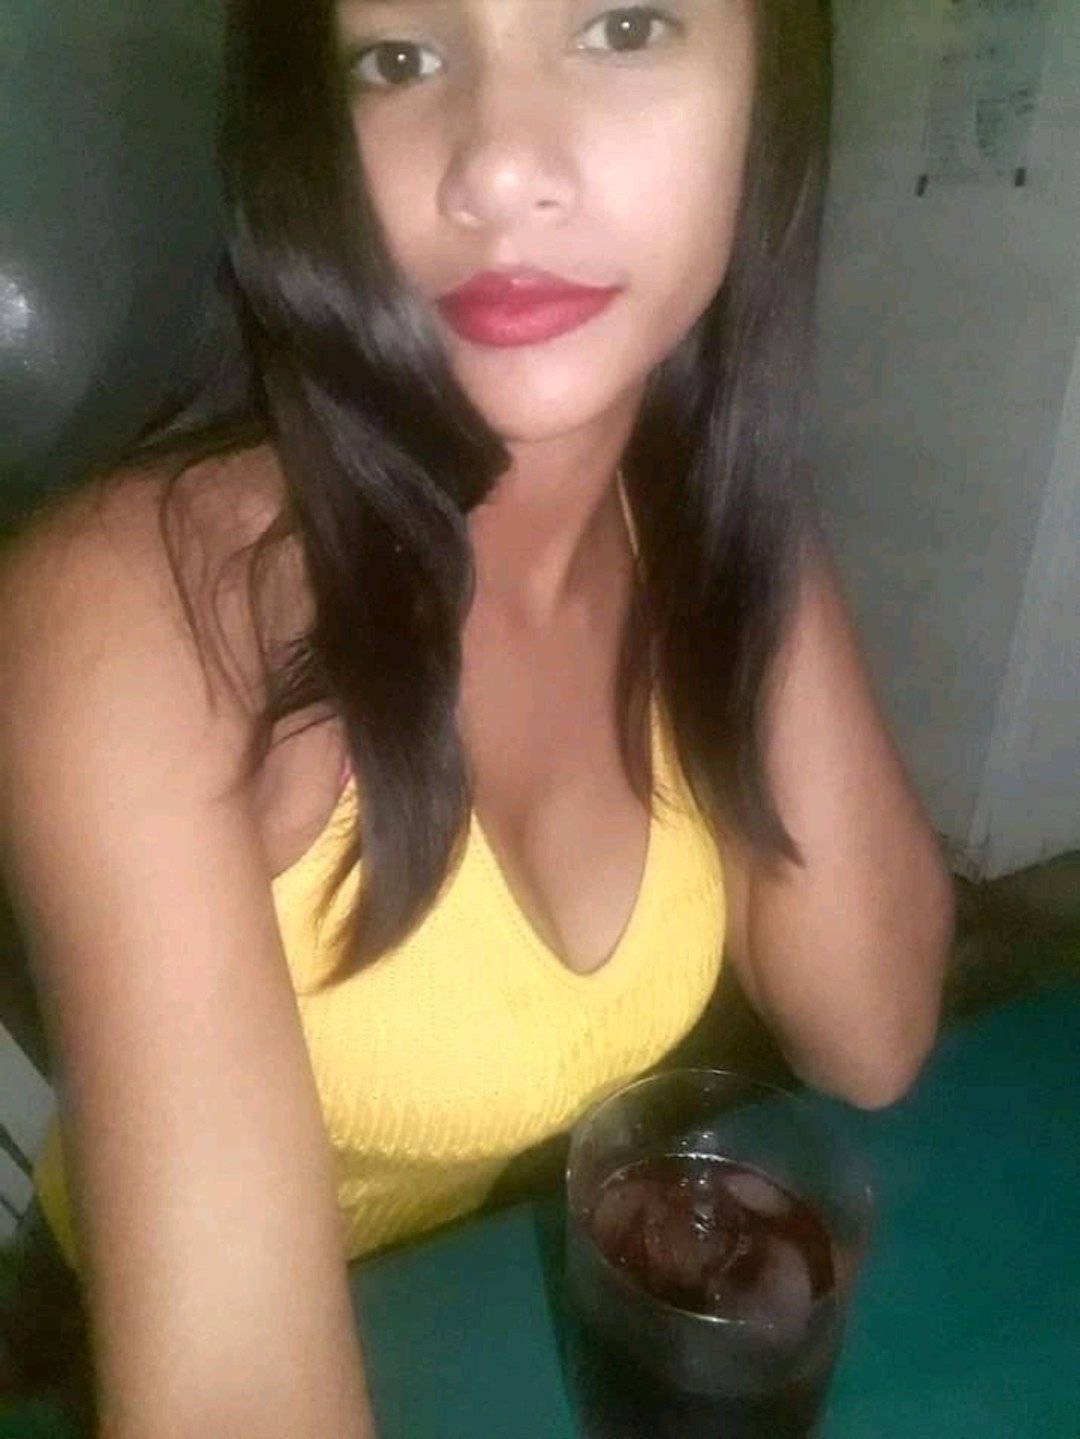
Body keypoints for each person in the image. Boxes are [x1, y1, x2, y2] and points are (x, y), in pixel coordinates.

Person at [0, 1, 953, 1435]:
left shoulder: (688, 523)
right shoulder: (154, 617)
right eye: (398, 57)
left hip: (494, 1288)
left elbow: (871, 1031)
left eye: (621, 26)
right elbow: (235, 1395)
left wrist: (739, 497)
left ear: (774, 87)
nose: (497, 164)